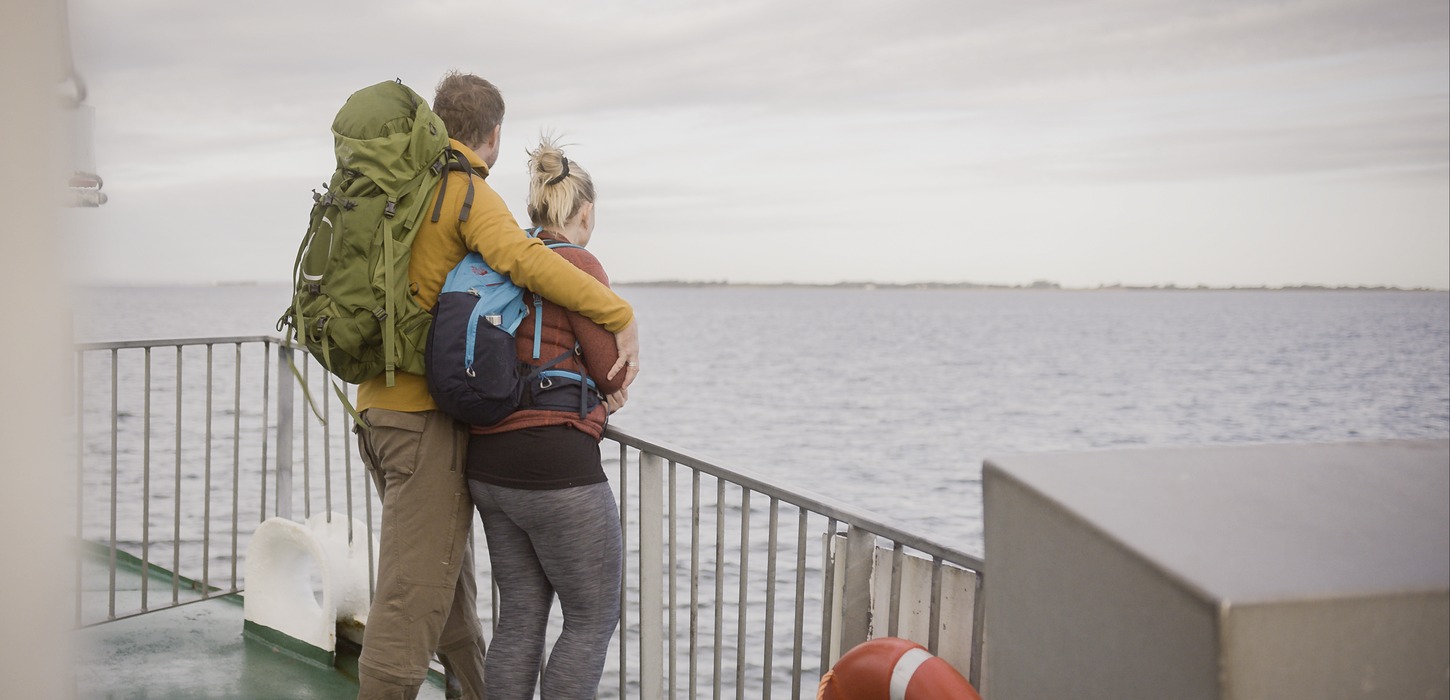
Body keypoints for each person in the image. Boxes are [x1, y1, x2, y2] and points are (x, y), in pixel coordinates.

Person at [352, 72, 640, 700]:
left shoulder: (411, 190)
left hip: (448, 439)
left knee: (513, 614)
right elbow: (542, 278)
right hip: (506, 447)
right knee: (584, 616)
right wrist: (619, 317)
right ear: (495, 134)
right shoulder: (468, 196)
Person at [466, 137, 626, 700]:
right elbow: (612, 370)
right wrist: (604, 391)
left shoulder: (503, 257)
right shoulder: (578, 263)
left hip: (488, 462)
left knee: (520, 614)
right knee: (591, 617)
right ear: (586, 212)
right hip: (555, 466)